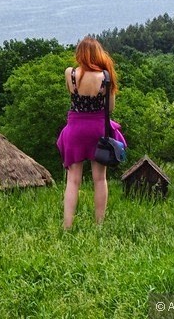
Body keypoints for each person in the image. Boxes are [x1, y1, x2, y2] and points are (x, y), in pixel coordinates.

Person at [56, 36, 125, 229]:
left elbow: (72, 96)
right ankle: (99, 224)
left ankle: (67, 225)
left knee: (73, 180)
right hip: (97, 129)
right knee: (99, 179)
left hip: (75, 129)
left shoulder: (70, 74)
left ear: (80, 54)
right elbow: (110, 109)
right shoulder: (106, 77)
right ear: (98, 54)